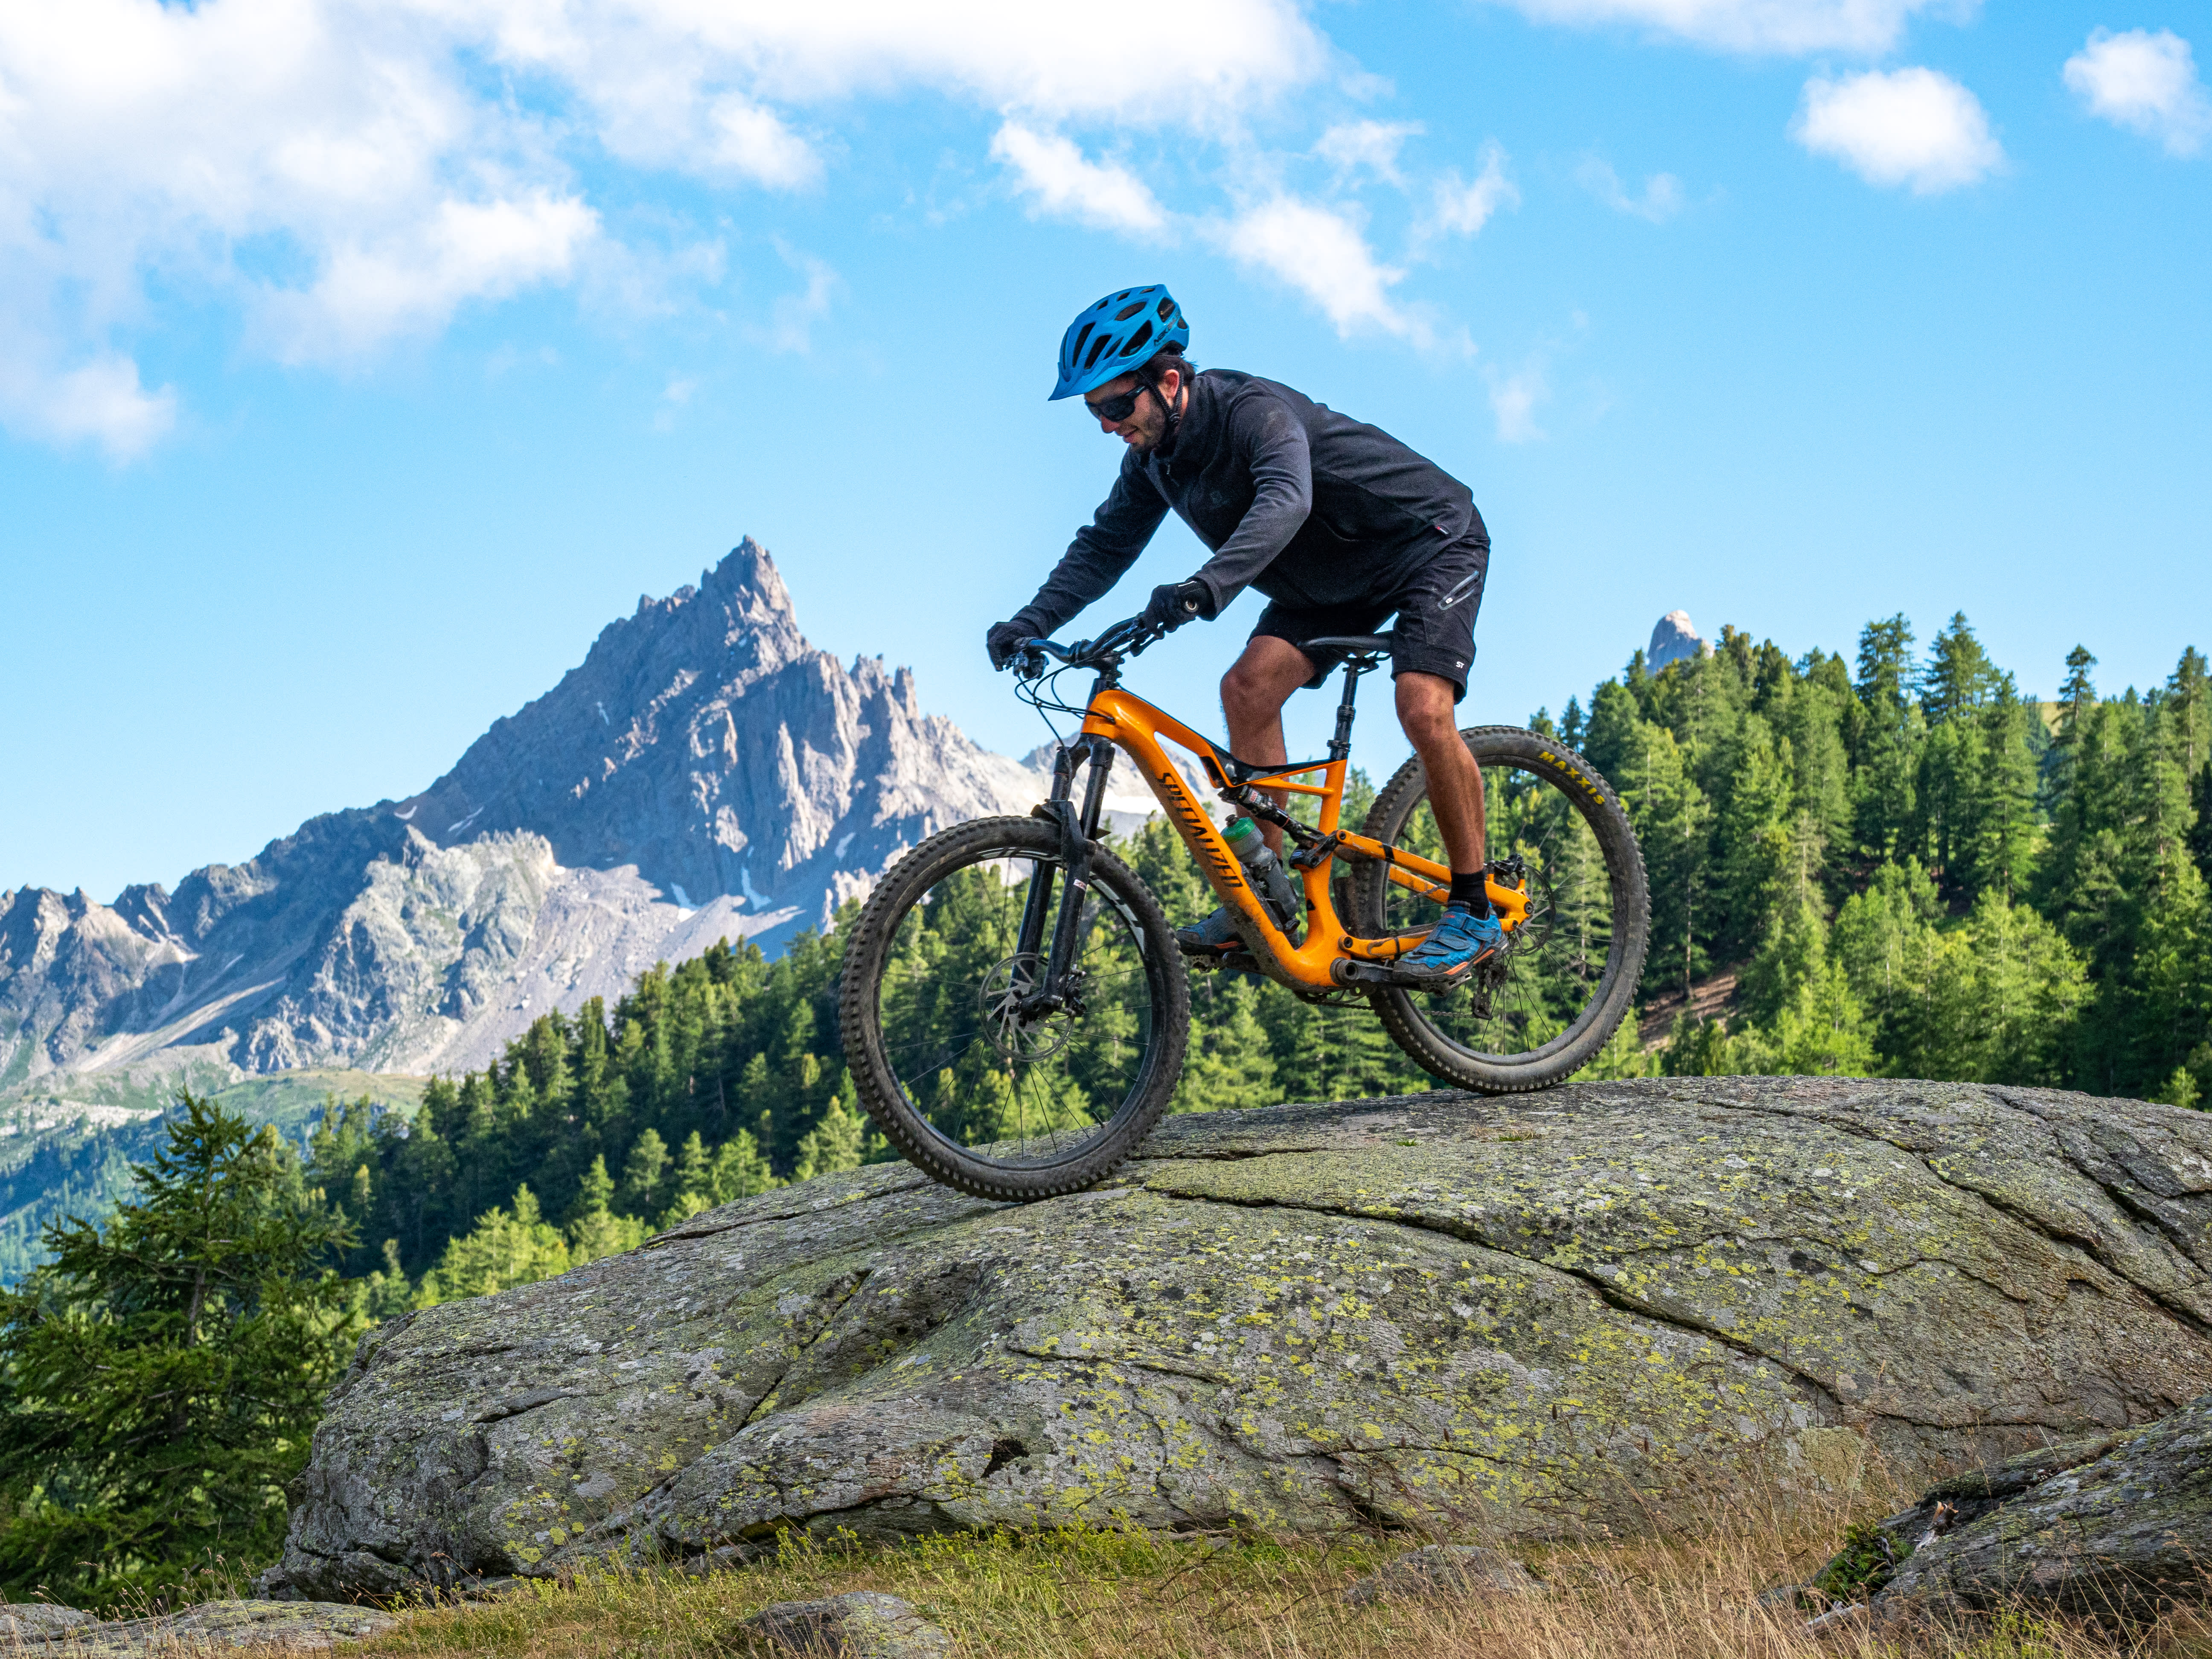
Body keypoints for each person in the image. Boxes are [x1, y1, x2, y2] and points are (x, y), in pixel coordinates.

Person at [987, 284, 1501, 986]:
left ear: (1169, 382)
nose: (1107, 426)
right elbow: (1104, 547)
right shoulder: (1153, 463)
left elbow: (1287, 499)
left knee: (1421, 704)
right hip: (1328, 582)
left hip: (1428, 543)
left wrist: (1205, 587)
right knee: (1247, 689)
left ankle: (1474, 907)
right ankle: (1268, 891)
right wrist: (1031, 622)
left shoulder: (1254, 412)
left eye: (1116, 406)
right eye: (1094, 411)